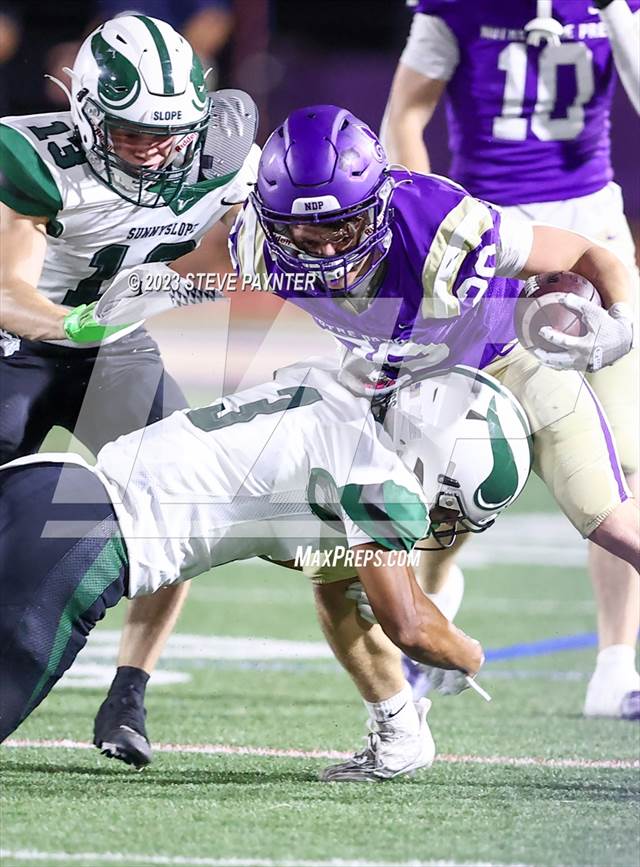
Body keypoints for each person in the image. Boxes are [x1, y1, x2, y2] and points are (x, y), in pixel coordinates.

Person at [0, 362, 488, 784]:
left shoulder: (328, 385)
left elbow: (273, 525)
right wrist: (466, 654)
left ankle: (398, 731)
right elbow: (411, 629)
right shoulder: (383, 483)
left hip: (44, 483)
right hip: (78, 548)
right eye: (447, 511)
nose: (439, 524)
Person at [0, 13, 259, 768]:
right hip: (23, 341)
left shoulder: (221, 155)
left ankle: (130, 690)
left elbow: (274, 229)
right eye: (131, 130)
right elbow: (9, 290)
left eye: (166, 130)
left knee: (180, 497)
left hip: (111, 347)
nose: (153, 149)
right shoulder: (36, 159)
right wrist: (79, 326)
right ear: (85, 113)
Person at [380, 0, 640, 717]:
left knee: (623, 461)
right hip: (489, 230)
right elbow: (404, 115)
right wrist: (438, 226)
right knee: (455, 459)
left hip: (592, 223)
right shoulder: (460, 7)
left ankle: (615, 668)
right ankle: (434, 600)